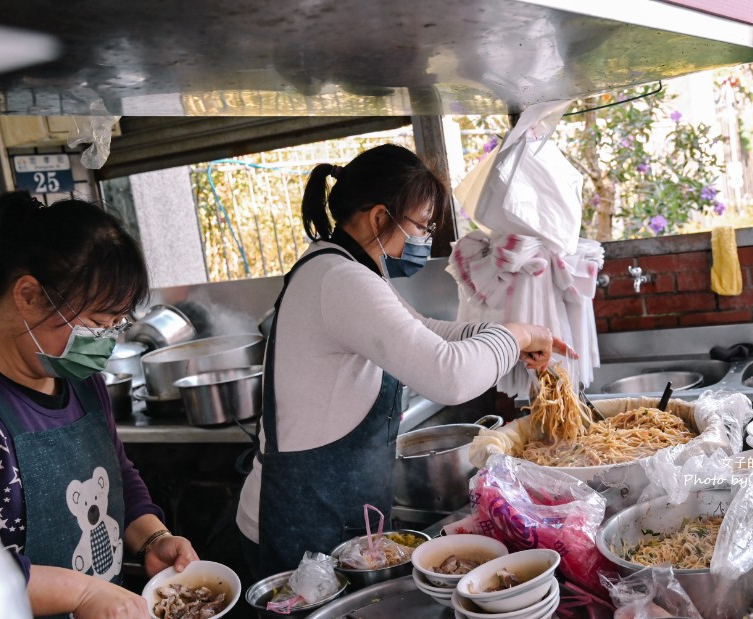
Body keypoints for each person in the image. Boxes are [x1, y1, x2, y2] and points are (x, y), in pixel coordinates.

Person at [236, 143, 574, 577]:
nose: (424, 239)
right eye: (420, 225)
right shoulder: (339, 279)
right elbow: (448, 375)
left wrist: (513, 335)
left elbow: (426, 332)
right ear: (379, 217)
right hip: (298, 522)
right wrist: (516, 335)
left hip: (331, 514)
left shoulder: (348, 268)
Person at [0, 192, 198, 618]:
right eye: (95, 324)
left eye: (115, 325)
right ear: (28, 295)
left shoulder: (83, 381)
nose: (104, 342)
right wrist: (82, 594)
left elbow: (113, 473)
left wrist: (152, 538)